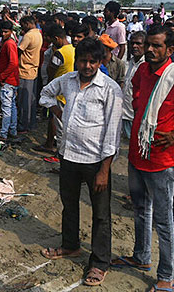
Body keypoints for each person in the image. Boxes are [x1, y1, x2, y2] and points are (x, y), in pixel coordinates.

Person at [40, 38, 122, 287]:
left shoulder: (109, 89)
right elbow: (45, 94)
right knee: (69, 204)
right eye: (83, 60)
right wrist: (57, 111)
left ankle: (99, 262)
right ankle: (71, 245)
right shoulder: (67, 80)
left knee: (101, 215)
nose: (87, 65)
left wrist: (105, 169)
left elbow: (113, 132)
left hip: (96, 162)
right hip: (69, 156)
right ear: (77, 60)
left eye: (92, 61)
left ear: (100, 62)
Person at [111, 26, 174, 292]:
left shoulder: (171, 77)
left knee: (163, 218)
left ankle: (167, 275)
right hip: (138, 153)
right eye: (148, 44)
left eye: (156, 46)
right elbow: (135, 102)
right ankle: (141, 257)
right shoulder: (141, 72)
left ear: (169, 50)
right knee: (140, 209)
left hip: (162, 161)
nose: (149, 49)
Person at [39, 23, 75, 152]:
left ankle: (60, 155)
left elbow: (51, 73)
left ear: (57, 38)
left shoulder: (59, 54)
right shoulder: (73, 49)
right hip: (69, 92)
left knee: (60, 127)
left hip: (59, 94)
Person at [17, 15, 42, 134]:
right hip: (33, 70)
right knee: (31, 100)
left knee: (23, 101)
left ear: (27, 24)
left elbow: (19, 50)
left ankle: (23, 125)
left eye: (22, 26)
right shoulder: (38, 33)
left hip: (25, 70)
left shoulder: (28, 36)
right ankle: (31, 124)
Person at [120, 31, 146, 139]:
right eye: (133, 43)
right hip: (123, 113)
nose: (135, 46)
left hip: (133, 116)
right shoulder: (130, 62)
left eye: (139, 44)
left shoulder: (146, 65)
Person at [0, 21, 19, 140]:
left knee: (6, 108)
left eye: (6, 32)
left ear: (11, 32)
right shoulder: (9, 43)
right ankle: (12, 130)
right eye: (2, 31)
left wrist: (2, 77)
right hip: (11, 81)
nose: (3, 34)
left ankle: (4, 133)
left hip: (8, 81)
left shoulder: (9, 44)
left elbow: (13, 63)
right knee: (12, 107)